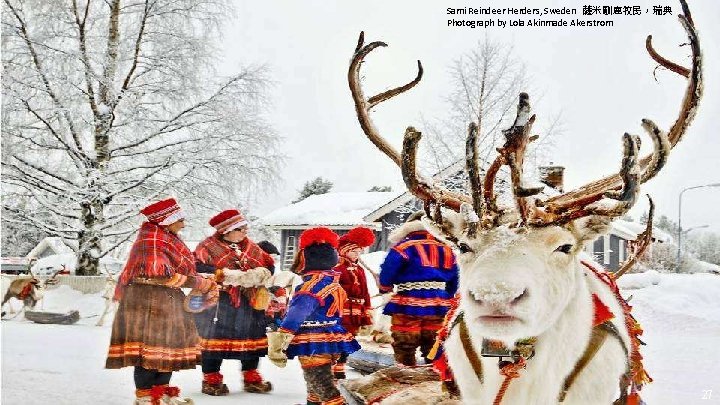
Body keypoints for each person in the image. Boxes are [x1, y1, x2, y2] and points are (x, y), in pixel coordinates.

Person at [106, 198, 216, 405]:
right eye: (180, 219)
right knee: (149, 351)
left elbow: (177, 272)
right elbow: (160, 275)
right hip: (147, 301)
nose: (183, 224)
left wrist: (203, 280)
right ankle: (146, 396)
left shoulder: (168, 238)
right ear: (166, 220)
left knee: (168, 349)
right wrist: (198, 282)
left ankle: (163, 392)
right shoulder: (152, 240)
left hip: (168, 299)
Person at [267, 227, 360, 405]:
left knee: (321, 384)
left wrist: (282, 336)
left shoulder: (310, 287)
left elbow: (297, 313)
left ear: (305, 261)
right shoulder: (332, 283)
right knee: (318, 382)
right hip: (332, 338)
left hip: (313, 341)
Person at [193, 209, 275, 396]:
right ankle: (211, 379)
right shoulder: (207, 247)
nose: (245, 232)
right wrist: (229, 276)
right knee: (214, 340)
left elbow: (269, 264)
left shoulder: (252, 247)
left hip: (248, 300)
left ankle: (251, 377)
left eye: (245, 228)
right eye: (240, 229)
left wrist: (259, 274)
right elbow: (198, 267)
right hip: (220, 301)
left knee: (251, 337)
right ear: (226, 231)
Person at [378, 212, 459, 366]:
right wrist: (447, 294)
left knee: (405, 340)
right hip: (439, 303)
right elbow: (456, 277)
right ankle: (435, 373)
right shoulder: (447, 249)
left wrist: (385, 288)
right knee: (434, 341)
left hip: (408, 301)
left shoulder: (403, 247)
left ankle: (406, 372)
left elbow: (388, 271)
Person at [333, 226, 375, 379]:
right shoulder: (337, 267)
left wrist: (367, 307)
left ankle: (341, 366)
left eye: (358, 252)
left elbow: (365, 291)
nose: (356, 255)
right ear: (343, 251)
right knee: (339, 337)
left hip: (357, 310)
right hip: (342, 309)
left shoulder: (359, 269)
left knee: (350, 338)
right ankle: (334, 367)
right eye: (353, 251)